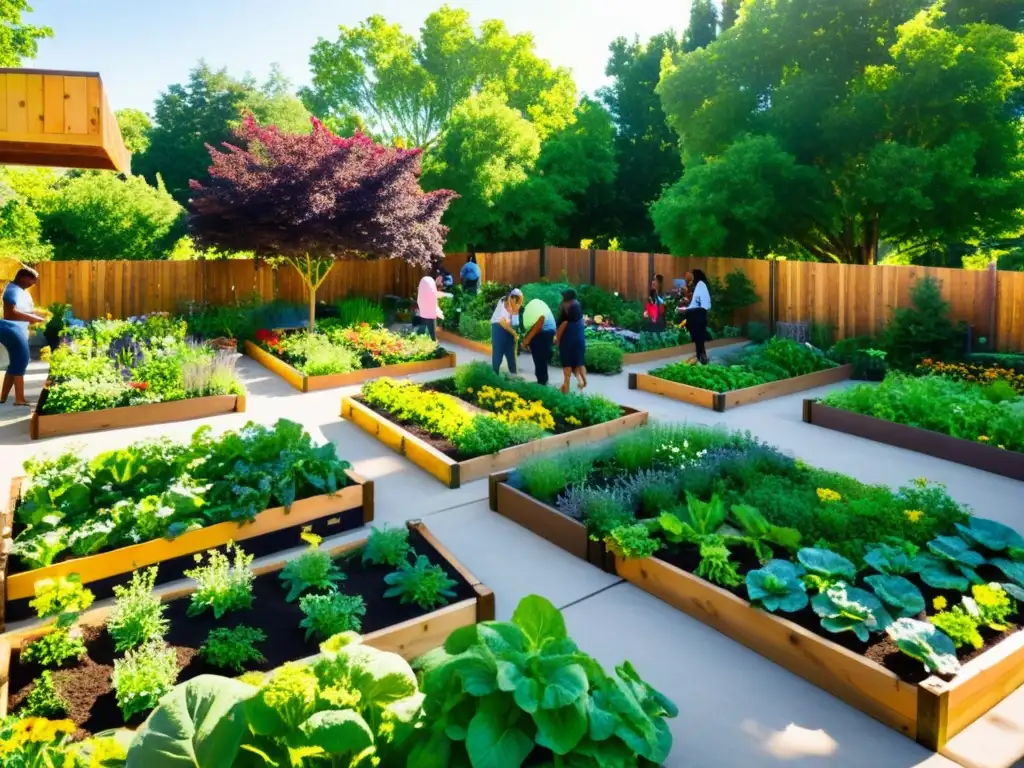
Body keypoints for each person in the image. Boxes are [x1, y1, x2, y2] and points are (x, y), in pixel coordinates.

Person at [1, 267, 45, 406]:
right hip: (10, 329)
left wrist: (36, 314)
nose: (34, 282)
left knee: (15, 363)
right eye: (32, 279)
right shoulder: (12, 290)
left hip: (18, 330)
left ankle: (3, 397)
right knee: (22, 361)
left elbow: (24, 310)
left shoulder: (21, 291)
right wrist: (32, 317)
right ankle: (19, 399)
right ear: (22, 277)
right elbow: (9, 313)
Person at [555, 289, 587, 393]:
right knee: (578, 363)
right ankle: (582, 384)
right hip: (579, 341)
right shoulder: (578, 314)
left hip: (568, 341)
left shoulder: (567, 313)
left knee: (567, 367)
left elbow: (561, 327)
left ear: (567, 300)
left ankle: (566, 390)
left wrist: (557, 339)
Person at [521, 297, 557, 385]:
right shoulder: (538, 308)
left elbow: (539, 324)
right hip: (548, 332)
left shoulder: (536, 311)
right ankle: (542, 380)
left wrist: (526, 340)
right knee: (541, 358)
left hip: (543, 333)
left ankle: (542, 383)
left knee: (540, 358)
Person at [682, 269, 712, 364]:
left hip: (698, 314)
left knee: (698, 337)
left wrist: (688, 308)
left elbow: (702, 302)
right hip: (697, 314)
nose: (690, 277)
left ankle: (701, 356)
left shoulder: (701, 285)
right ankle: (700, 356)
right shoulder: (699, 285)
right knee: (698, 337)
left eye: (692, 275)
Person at [490, 288, 523, 374]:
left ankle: (514, 375)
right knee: (498, 352)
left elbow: (515, 323)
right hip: (498, 327)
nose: (520, 303)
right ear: (513, 298)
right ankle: (494, 375)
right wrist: (514, 333)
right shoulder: (504, 302)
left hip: (508, 328)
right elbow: (502, 322)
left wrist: (515, 311)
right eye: (519, 301)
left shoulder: (515, 304)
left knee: (511, 352)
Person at [416, 273, 448, 341]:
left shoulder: (426, 282)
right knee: (432, 332)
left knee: (424, 327)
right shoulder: (430, 283)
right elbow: (434, 298)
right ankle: (432, 343)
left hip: (424, 311)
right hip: (430, 313)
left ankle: (419, 338)